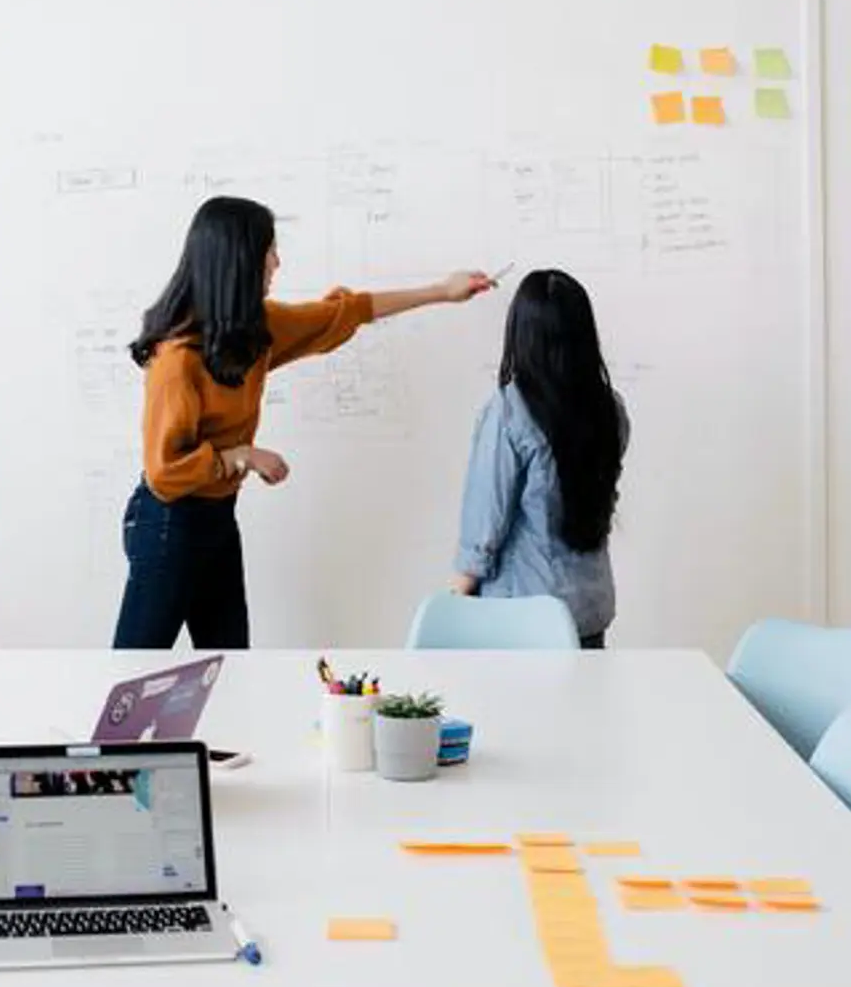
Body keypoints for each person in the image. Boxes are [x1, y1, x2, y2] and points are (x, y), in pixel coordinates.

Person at [113, 195, 492, 649]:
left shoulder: (252, 331)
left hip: (217, 517)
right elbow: (164, 473)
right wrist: (240, 456)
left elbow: (347, 311)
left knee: (229, 665)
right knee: (138, 667)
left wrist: (442, 291)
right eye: (269, 251)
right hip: (166, 522)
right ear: (238, 261)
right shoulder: (177, 360)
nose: (277, 262)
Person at [450, 269, 628, 648]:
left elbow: (484, 526)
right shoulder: (609, 409)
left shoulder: (509, 411)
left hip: (520, 618)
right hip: (588, 613)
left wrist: (453, 603)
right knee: (582, 691)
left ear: (522, 333)